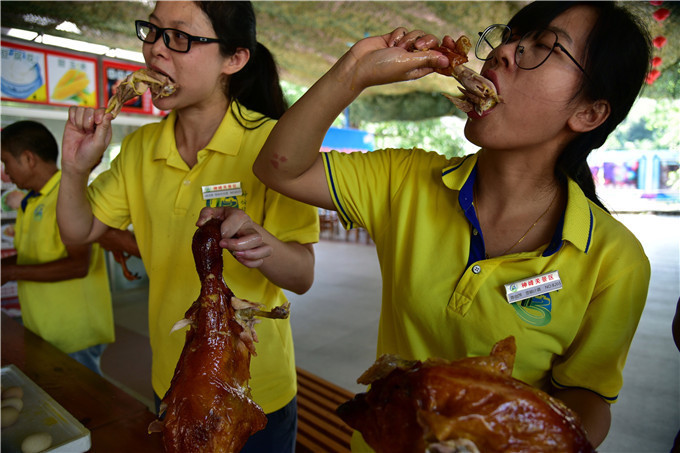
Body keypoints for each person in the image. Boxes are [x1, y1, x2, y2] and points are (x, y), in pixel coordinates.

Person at [254, 1, 652, 449]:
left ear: (589, 114)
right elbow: (279, 168)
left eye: (542, 47)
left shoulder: (615, 260)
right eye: (511, 38)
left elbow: (588, 394)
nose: (502, 53)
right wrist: (355, 71)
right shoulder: (405, 181)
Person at [56, 2, 318, 451]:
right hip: (174, 378)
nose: (155, 50)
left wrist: (262, 245)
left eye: (179, 37)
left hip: (256, 388)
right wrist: (75, 169)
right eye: (151, 32)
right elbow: (79, 233)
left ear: (233, 60)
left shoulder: (274, 142)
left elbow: (303, 276)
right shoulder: (140, 148)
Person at [1, 120, 114, 375]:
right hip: (45, 328)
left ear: (28, 158)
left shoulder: (68, 196)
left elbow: (77, 265)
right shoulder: (31, 201)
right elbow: (33, 256)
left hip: (75, 334)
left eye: (6, 162)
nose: (6, 173)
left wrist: (9, 273)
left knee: (84, 409)